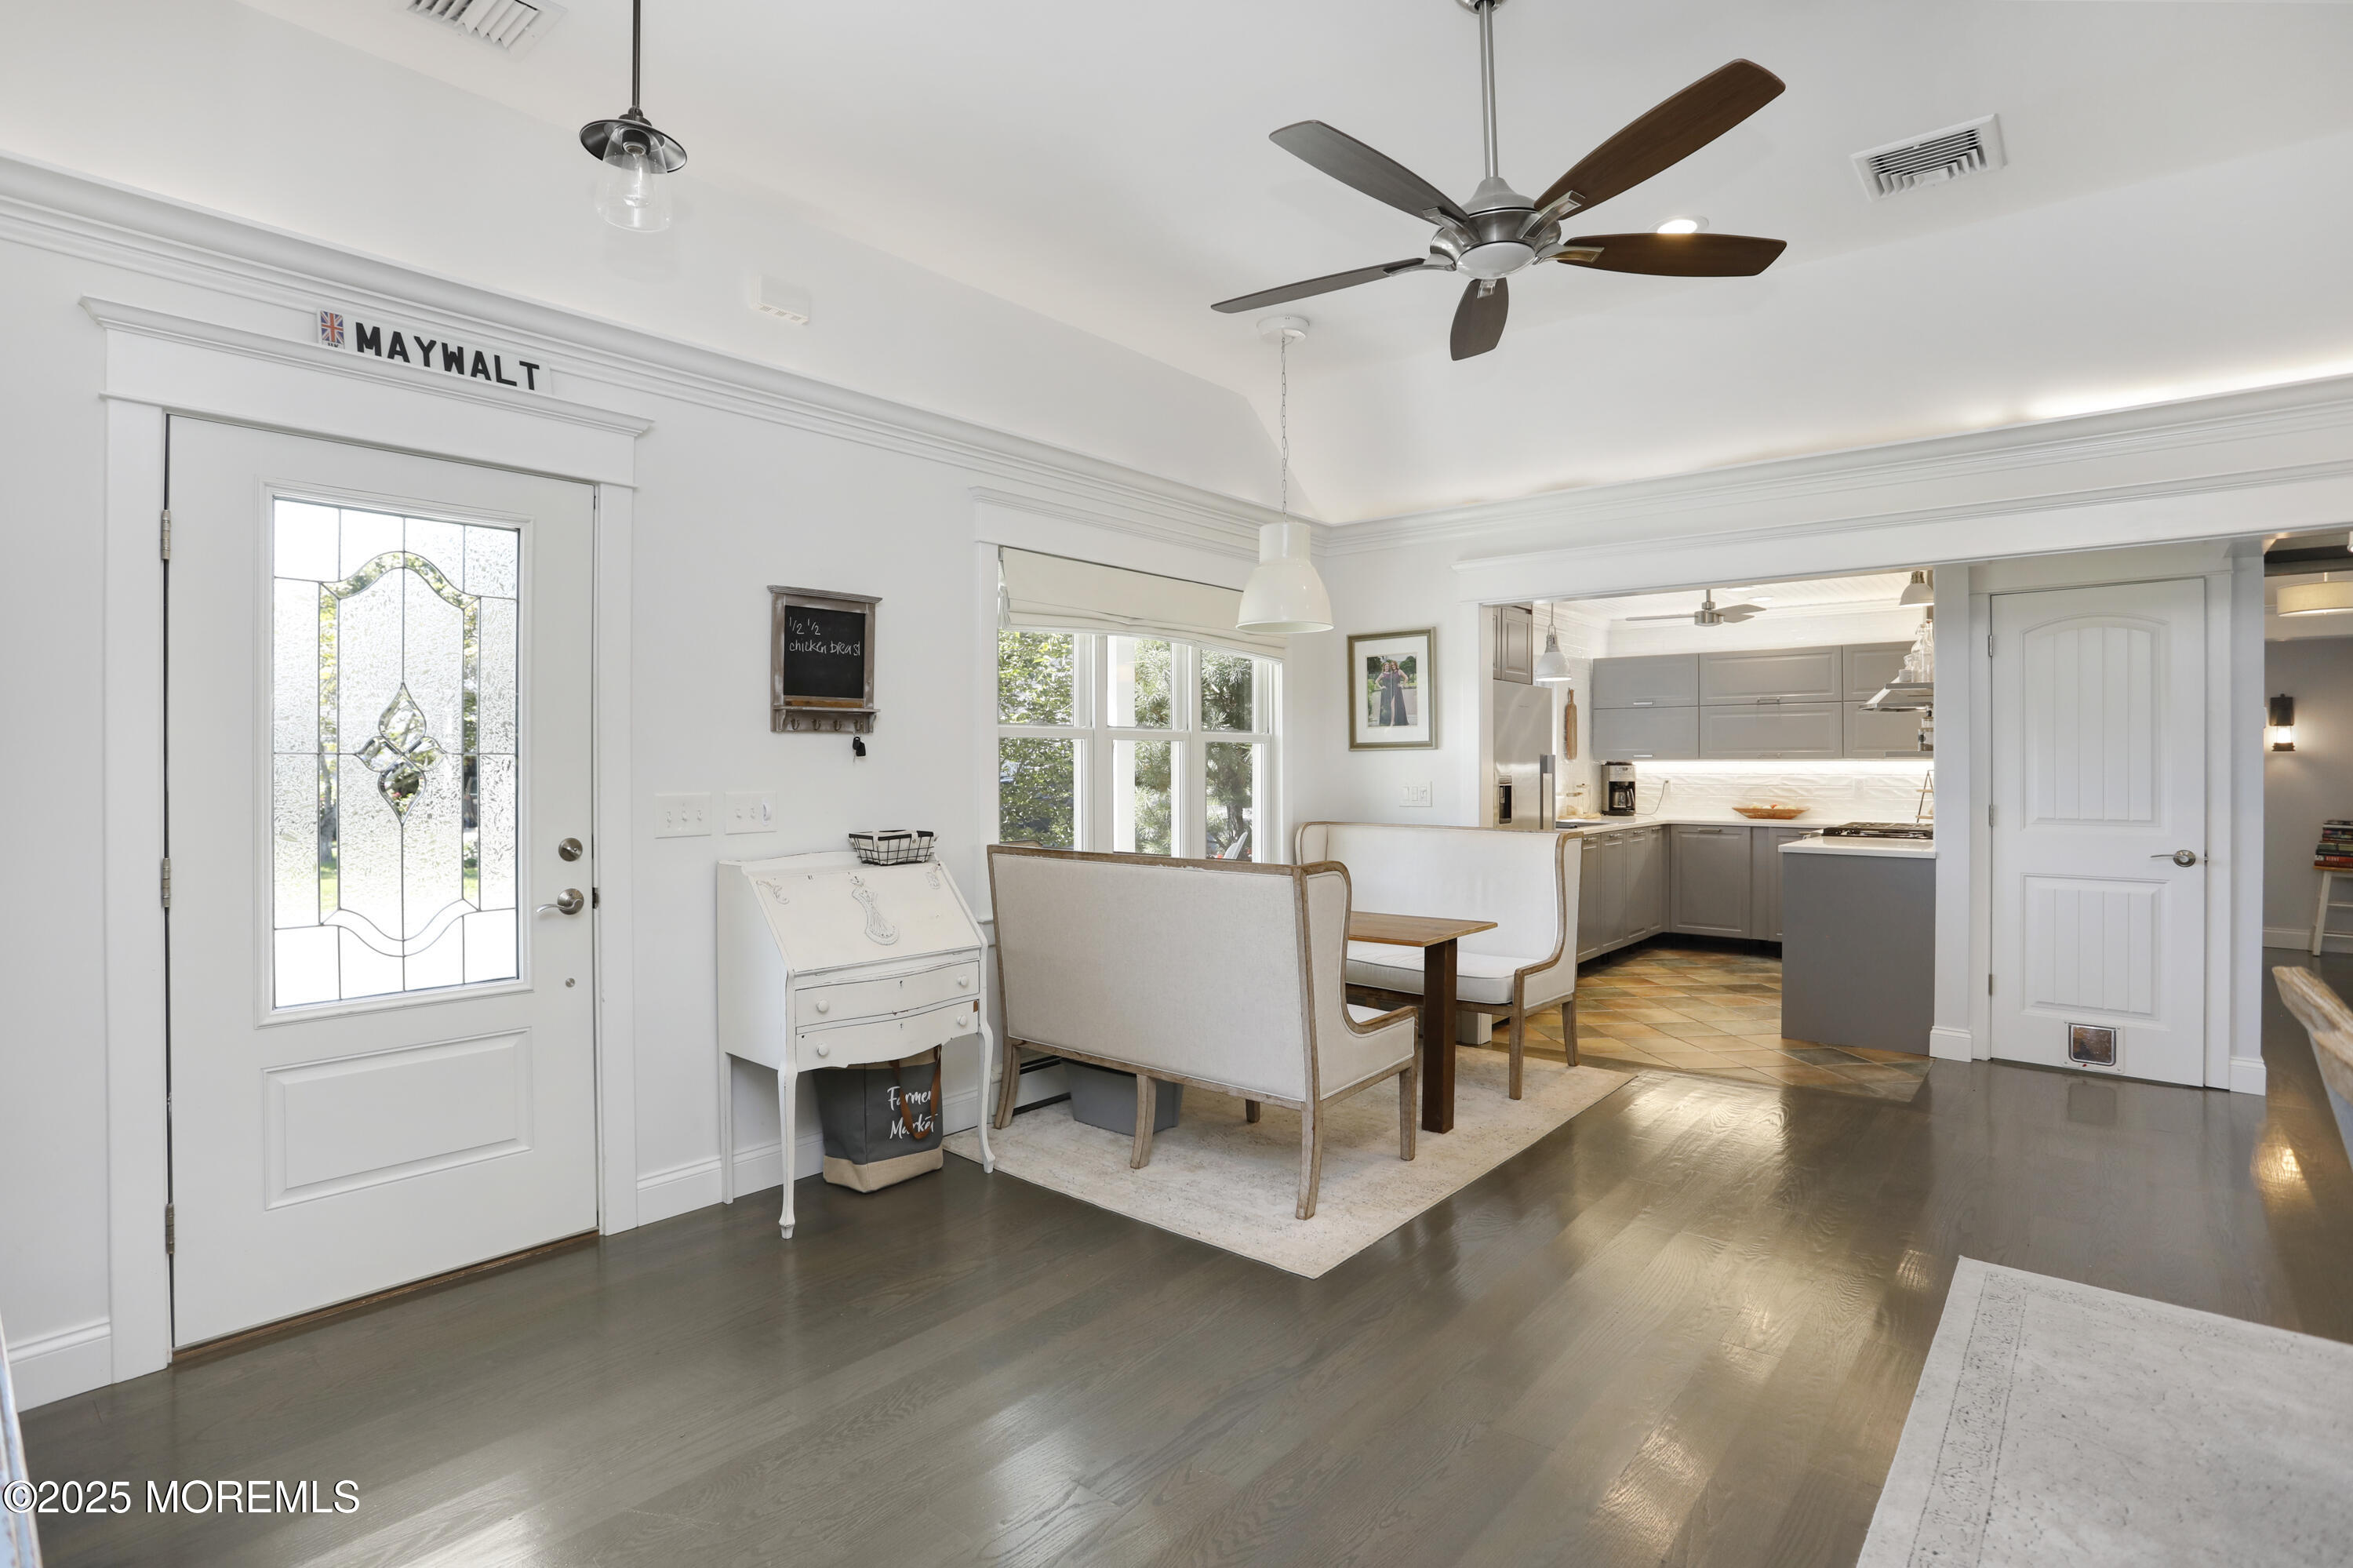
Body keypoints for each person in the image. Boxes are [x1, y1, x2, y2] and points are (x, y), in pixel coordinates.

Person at [1376, 659, 1407, 726]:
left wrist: (1402, 685)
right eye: (1392, 665)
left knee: (1393, 705)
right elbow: (1378, 681)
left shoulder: (1399, 671)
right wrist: (1381, 687)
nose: (1393, 666)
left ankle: (1392, 722)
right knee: (1393, 706)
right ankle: (1394, 721)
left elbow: (1406, 678)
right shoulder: (1391, 673)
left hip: (1397, 690)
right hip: (1391, 691)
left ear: (1396, 665)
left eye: (1393, 665)